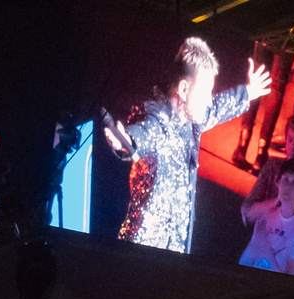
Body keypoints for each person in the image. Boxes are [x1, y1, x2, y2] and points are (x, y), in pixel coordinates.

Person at [104, 37, 271, 254]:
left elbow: (217, 108)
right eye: (205, 92)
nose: (209, 100)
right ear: (184, 90)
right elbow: (144, 133)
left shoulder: (191, 121)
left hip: (174, 252)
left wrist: (247, 92)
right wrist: (124, 141)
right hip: (142, 253)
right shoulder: (159, 120)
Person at [235, 159, 294, 274]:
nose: (288, 187)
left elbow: (288, 279)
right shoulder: (268, 215)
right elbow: (248, 257)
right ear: (278, 182)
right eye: (285, 179)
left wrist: (264, 246)